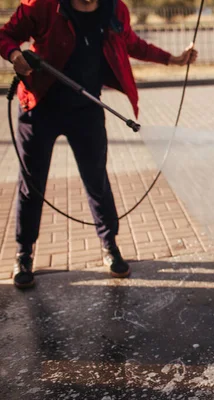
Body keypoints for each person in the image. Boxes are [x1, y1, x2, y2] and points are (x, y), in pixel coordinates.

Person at [0, 0, 198, 288]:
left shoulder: (115, 10)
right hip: (40, 107)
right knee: (32, 183)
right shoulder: (41, 5)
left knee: (97, 179)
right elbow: (5, 35)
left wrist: (174, 60)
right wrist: (14, 53)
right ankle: (24, 252)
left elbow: (132, 43)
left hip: (86, 109)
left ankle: (110, 245)